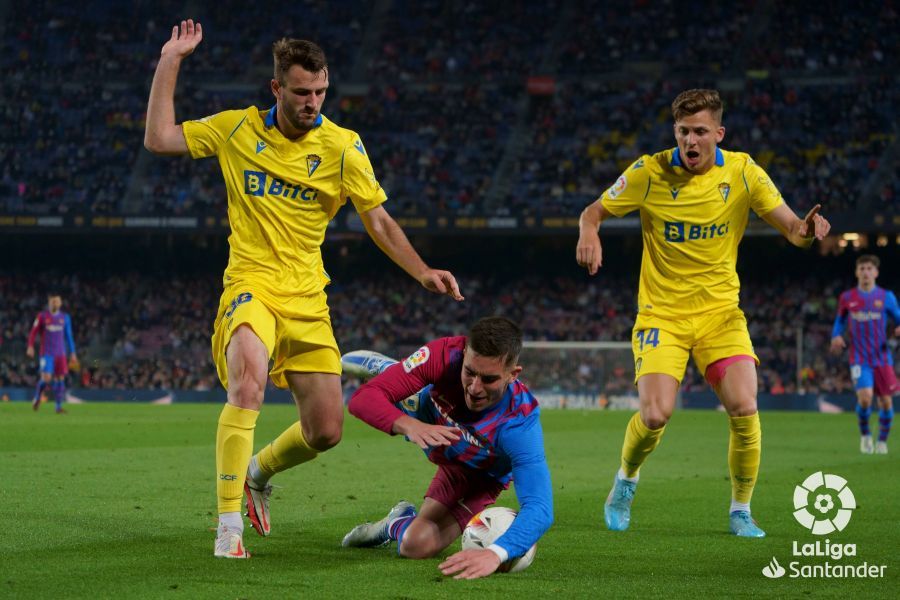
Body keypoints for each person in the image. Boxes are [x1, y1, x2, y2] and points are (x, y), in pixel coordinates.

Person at [144, 20, 463, 559]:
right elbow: (159, 138)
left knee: (325, 431)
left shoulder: (342, 147)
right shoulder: (236, 130)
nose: (312, 101)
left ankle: (258, 471)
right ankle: (227, 528)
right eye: (301, 92)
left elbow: (379, 221)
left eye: (320, 91)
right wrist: (171, 59)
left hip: (308, 299)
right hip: (250, 285)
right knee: (247, 384)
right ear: (276, 89)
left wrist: (421, 270)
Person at [575, 89, 831, 538]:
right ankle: (625, 481)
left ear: (719, 133)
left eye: (699, 132)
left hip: (720, 316)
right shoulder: (648, 171)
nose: (690, 141)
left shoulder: (743, 171)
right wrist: (588, 231)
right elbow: (592, 212)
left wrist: (807, 231)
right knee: (655, 416)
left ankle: (741, 509)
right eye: (682, 131)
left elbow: (792, 228)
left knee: (745, 406)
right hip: (662, 317)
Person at [339, 317, 553, 580]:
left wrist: (496, 552)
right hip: (429, 416)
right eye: (470, 372)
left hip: (476, 473)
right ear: (464, 354)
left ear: (513, 374)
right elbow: (362, 400)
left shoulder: (519, 424)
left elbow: (539, 507)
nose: (475, 388)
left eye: (488, 379)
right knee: (411, 396)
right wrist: (409, 425)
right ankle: (394, 372)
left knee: (414, 546)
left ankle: (396, 522)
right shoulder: (443, 355)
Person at [830, 255, 899, 454]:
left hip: (882, 358)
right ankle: (866, 436)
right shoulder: (848, 297)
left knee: (885, 401)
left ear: (876, 273)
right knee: (866, 398)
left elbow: (898, 317)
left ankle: (882, 441)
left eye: (869, 268)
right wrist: (836, 335)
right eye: (862, 268)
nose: (866, 272)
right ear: (857, 272)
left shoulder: (886, 297)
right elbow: (840, 320)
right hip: (859, 357)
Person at [27, 292, 77, 414]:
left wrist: (73, 352)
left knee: (60, 378)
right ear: (49, 302)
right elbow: (33, 332)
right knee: (47, 377)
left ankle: (58, 407)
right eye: (53, 301)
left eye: (57, 301)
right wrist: (30, 346)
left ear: (60, 303)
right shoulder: (42, 316)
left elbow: (69, 336)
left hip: (60, 353)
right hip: (47, 353)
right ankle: (38, 398)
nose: (55, 303)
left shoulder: (65, 317)